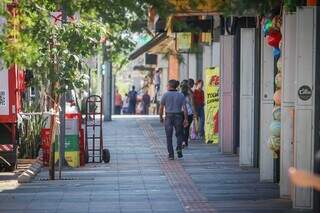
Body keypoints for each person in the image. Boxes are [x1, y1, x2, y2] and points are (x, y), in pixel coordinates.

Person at [160, 80, 188, 160]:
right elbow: (185, 108)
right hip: (178, 116)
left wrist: (161, 117)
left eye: (167, 85)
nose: (166, 86)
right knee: (179, 134)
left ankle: (171, 155)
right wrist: (186, 119)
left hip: (168, 116)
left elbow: (161, 108)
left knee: (169, 136)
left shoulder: (165, 95)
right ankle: (179, 148)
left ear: (169, 86)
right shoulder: (181, 95)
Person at [180, 80, 196, 148]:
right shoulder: (190, 95)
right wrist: (195, 113)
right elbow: (192, 105)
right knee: (186, 128)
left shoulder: (179, 94)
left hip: (180, 113)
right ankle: (185, 142)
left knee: (181, 128)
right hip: (189, 113)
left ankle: (182, 141)